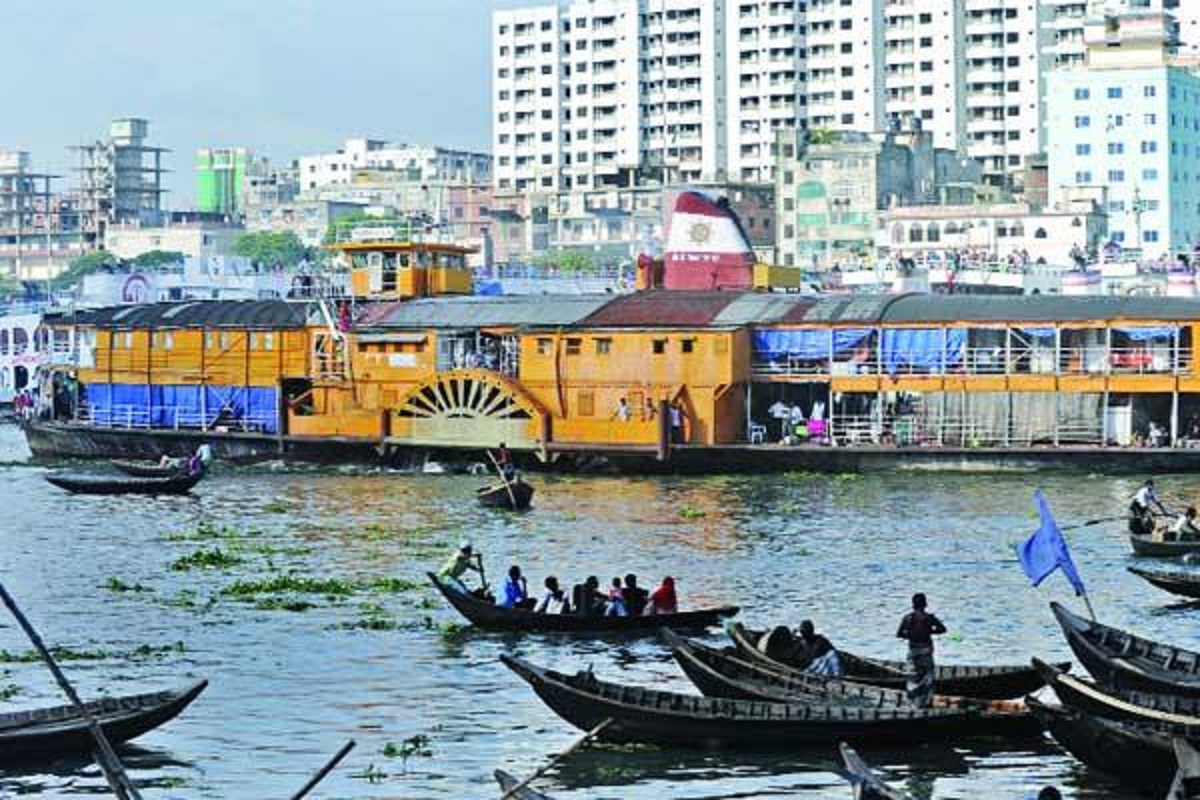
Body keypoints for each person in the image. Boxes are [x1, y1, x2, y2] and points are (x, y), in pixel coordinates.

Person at [896, 592, 947, 708]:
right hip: (926, 650)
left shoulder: (907, 618)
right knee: (927, 677)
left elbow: (899, 634)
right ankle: (927, 702)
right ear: (925, 605)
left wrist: (910, 635)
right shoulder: (929, 618)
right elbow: (943, 629)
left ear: (913, 605)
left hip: (913, 651)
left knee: (913, 678)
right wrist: (930, 631)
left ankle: (914, 703)